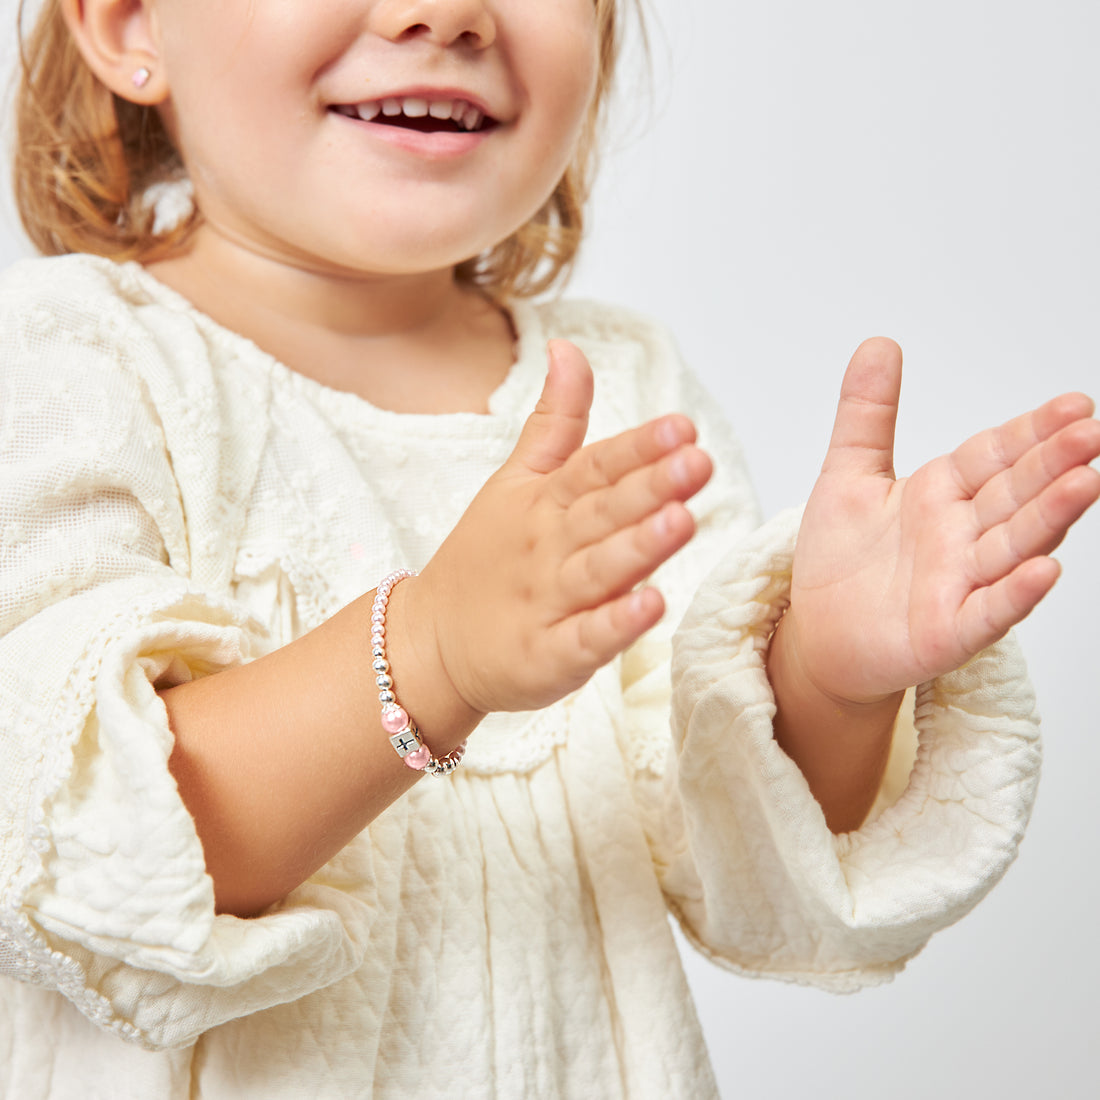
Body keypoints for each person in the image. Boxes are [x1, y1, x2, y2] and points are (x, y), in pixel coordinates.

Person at [1, 0, 1098, 1096]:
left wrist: (826, 679)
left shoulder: (621, 384)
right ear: (129, 24)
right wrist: (429, 655)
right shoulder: (73, 367)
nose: (446, 14)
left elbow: (739, 869)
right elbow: (84, 849)